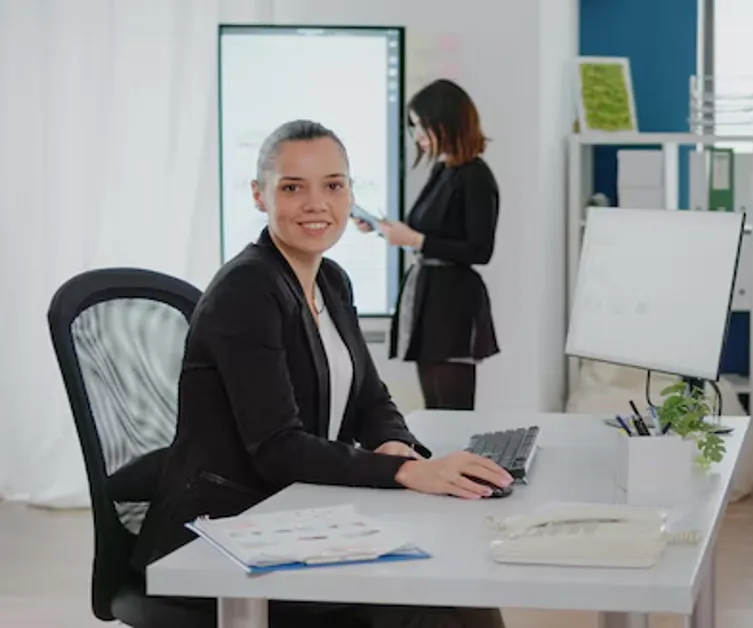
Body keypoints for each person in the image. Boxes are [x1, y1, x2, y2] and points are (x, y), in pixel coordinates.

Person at [131, 119, 509, 628]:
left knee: (461, 585)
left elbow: (371, 400)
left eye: (333, 185)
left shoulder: (330, 280)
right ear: (259, 196)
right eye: (292, 187)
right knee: (431, 608)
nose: (316, 204)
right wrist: (405, 473)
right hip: (221, 536)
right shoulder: (247, 290)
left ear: (351, 193)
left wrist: (395, 445)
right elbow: (277, 447)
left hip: (290, 514)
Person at [356, 79, 499, 411]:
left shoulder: (475, 176)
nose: (417, 134)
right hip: (429, 301)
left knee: (452, 412)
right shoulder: (443, 170)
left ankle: (459, 464)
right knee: (435, 411)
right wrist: (385, 231)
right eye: (414, 126)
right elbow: (429, 238)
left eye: (421, 125)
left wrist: (415, 239)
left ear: (445, 123)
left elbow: (480, 250)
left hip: (452, 306)